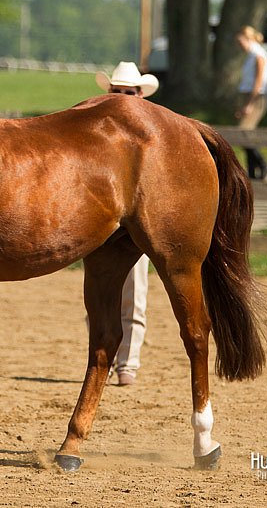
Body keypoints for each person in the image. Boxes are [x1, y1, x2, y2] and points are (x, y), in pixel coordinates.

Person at [94, 61, 154, 386]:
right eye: (115, 91)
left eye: (126, 92)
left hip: (136, 219)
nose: (120, 97)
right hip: (101, 221)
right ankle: (102, 357)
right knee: (100, 293)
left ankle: (127, 362)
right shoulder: (97, 130)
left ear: (139, 95)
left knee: (135, 291)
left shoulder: (149, 134)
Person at [235, 25, 267, 180]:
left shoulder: (258, 55)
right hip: (247, 96)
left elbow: (259, 81)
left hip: (255, 98)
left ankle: (263, 164)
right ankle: (252, 172)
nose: (240, 46)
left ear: (247, 39)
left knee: (244, 132)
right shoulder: (251, 55)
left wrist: (250, 103)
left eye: (241, 42)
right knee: (247, 135)